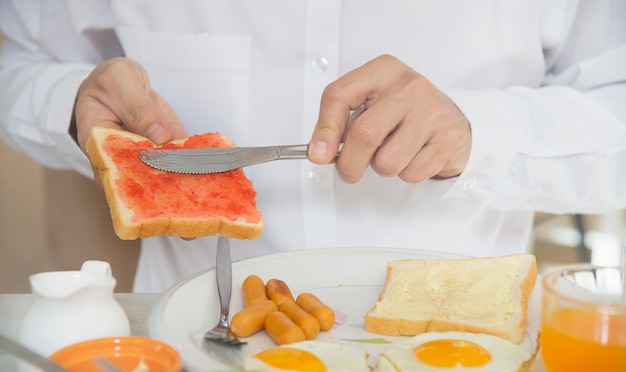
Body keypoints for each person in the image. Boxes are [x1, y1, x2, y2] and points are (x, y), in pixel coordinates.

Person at [1, 1, 625, 292]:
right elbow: (15, 60)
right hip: (195, 357)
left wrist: (480, 131)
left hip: (462, 359)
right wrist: (70, 102)